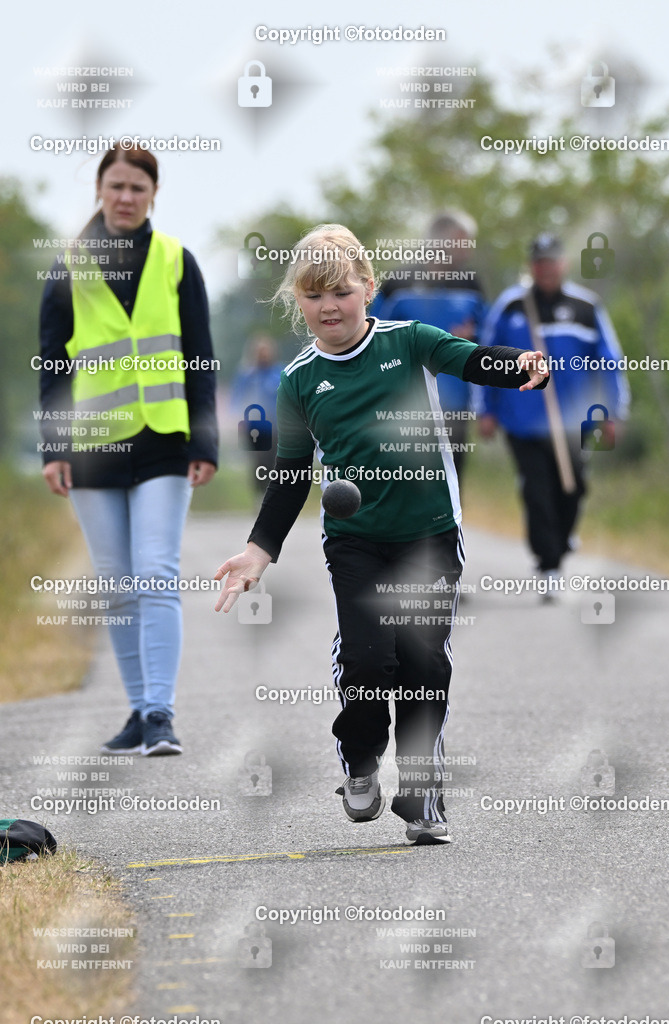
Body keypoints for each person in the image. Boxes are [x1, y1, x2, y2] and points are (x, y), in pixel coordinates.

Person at [213, 224, 549, 845]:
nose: (329, 306)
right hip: (356, 540)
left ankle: (422, 795)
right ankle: (361, 759)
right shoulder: (299, 380)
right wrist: (259, 550)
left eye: (341, 291)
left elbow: (471, 359)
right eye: (314, 296)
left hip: (430, 532)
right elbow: (291, 475)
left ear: (368, 288)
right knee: (368, 658)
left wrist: (519, 364)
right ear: (297, 302)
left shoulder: (409, 341)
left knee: (424, 661)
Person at [39, 142, 218, 756]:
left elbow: (200, 353)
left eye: (138, 188)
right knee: (117, 587)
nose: (125, 197)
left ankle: (162, 713)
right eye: (116, 185)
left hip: (163, 439)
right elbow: (52, 365)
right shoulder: (68, 266)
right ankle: (140, 711)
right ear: (99, 188)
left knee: (156, 571)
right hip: (91, 447)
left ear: (153, 195)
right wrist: (53, 449)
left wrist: (204, 439)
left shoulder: (176, 260)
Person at [477, 233, 630, 593]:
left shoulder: (586, 306)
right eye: (539, 262)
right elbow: (484, 359)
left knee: (573, 488)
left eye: (552, 261)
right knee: (537, 491)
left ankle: (561, 541)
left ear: (564, 264)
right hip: (522, 420)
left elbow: (610, 361)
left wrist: (615, 412)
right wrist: (485, 409)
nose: (546, 268)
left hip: (575, 421)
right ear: (531, 266)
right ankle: (549, 564)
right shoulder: (511, 306)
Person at [370, 213, 487, 480]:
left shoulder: (471, 285)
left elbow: (488, 334)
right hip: (406, 401)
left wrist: (473, 336)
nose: (468, 250)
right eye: (462, 242)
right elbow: (373, 336)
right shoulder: (397, 284)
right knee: (410, 480)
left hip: (454, 403)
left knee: (452, 480)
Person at [229, 334, 284, 494]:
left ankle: (274, 493)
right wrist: (237, 419)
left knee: (275, 461)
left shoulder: (280, 373)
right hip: (255, 428)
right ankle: (260, 494)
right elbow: (237, 398)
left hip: (276, 427)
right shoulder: (247, 375)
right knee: (259, 461)